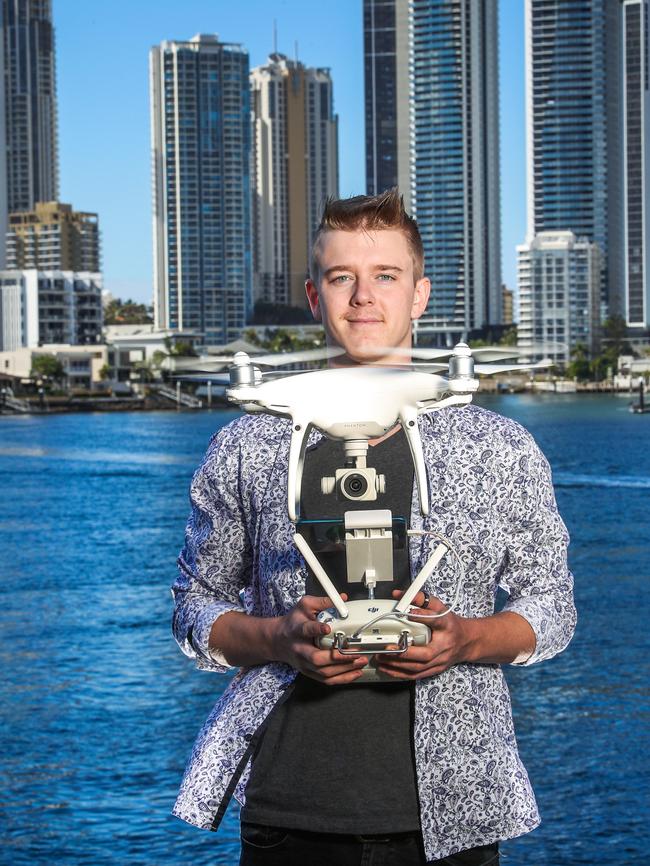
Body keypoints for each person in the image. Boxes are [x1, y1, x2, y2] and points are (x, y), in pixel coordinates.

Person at [171, 189, 576, 865]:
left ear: (419, 294)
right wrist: (277, 637)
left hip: (457, 811)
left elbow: (552, 606)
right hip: (287, 808)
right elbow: (193, 606)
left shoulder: (501, 447)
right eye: (341, 278)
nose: (363, 298)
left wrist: (468, 639)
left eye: (385, 276)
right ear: (313, 295)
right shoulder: (247, 446)